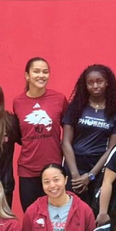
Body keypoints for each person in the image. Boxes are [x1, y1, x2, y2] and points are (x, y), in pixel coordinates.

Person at [62, 64, 116, 210]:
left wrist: (90, 176)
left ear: (107, 82)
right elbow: (65, 142)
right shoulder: (76, 107)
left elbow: (112, 148)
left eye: (99, 81)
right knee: (71, 213)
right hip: (73, 166)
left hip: (98, 169)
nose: (95, 86)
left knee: (93, 212)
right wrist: (75, 176)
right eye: (90, 83)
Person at [13, 57, 68, 211]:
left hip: (53, 168)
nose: (41, 75)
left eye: (45, 72)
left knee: (56, 215)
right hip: (28, 169)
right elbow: (20, 134)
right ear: (27, 75)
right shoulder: (18, 101)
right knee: (32, 216)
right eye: (36, 71)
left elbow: (69, 130)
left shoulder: (59, 99)